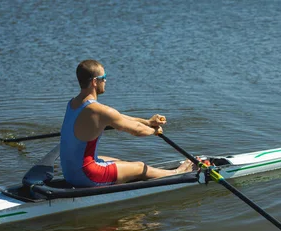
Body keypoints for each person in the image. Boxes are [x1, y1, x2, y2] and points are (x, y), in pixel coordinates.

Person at [60, 59, 193, 187]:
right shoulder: (99, 110)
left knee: (118, 161)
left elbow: (119, 117)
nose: (105, 80)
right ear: (95, 82)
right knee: (140, 167)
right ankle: (178, 173)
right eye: (104, 77)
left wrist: (147, 122)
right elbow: (136, 130)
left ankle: (124, 174)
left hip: (69, 172)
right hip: (86, 176)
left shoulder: (73, 103)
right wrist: (154, 131)